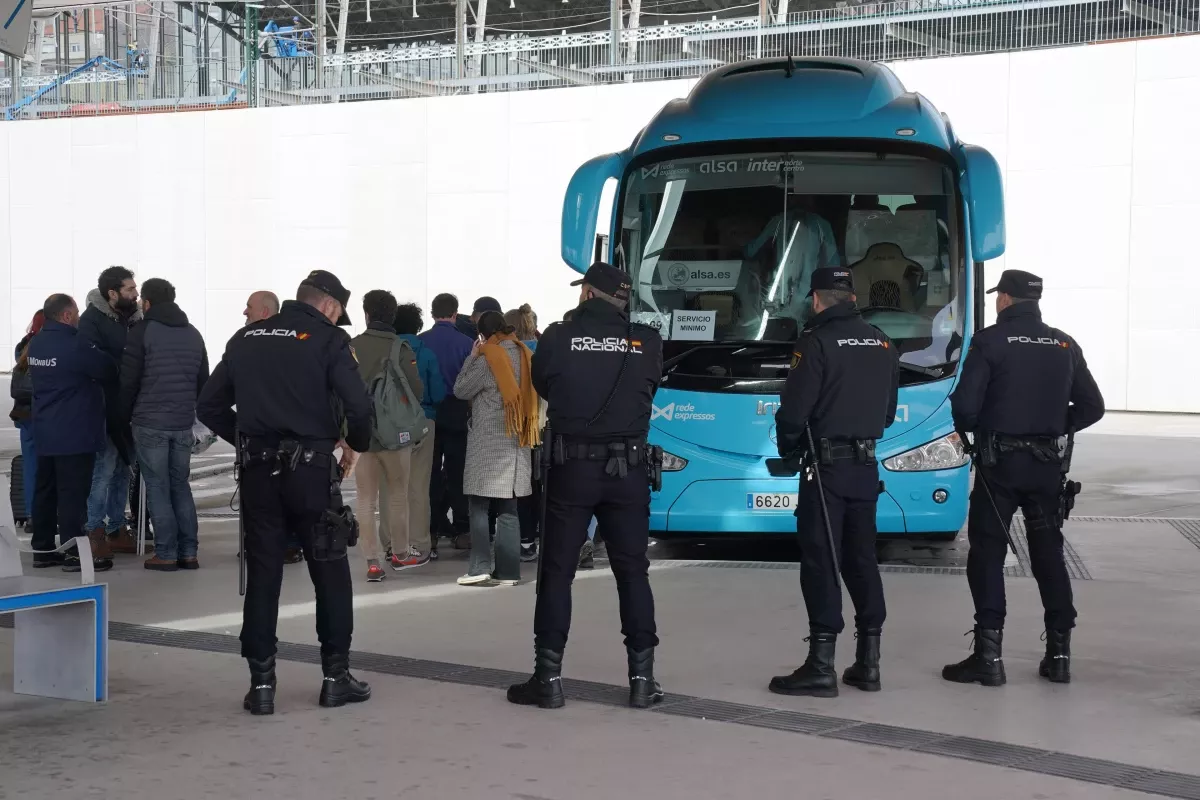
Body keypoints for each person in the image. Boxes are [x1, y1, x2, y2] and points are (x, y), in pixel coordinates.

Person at [198, 270, 374, 715]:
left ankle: (261, 685)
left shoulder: (246, 337)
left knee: (263, 576)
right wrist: (355, 442)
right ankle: (335, 678)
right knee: (329, 571)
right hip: (312, 474)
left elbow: (208, 404)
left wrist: (244, 438)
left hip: (259, 473)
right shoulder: (329, 340)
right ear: (331, 307)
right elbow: (359, 406)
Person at [508, 262, 664, 710]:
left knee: (557, 573)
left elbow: (544, 384)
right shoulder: (648, 340)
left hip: (572, 468)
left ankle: (548, 679)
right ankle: (641, 680)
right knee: (632, 573)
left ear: (588, 294)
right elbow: (648, 388)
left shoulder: (558, 337)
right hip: (629, 471)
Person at [944, 269, 1105, 687]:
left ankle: (989, 657)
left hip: (1000, 467)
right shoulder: (1063, 343)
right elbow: (1093, 406)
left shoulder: (991, 341)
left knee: (988, 554)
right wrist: (1054, 424)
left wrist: (989, 428)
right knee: (1049, 555)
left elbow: (963, 406)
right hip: (1047, 467)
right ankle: (1059, 655)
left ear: (1005, 299)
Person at [766, 267, 899, 698]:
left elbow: (793, 413)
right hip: (866, 467)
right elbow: (887, 413)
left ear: (818, 299)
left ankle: (821, 666)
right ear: (852, 297)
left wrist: (789, 448)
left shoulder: (817, 342)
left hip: (826, 470)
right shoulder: (881, 341)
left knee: (822, 560)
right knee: (861, 559)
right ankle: (868, 664)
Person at [119, 278, 210, 571]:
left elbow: (129, 381)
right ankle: (189, 552)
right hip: (183, 423)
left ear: (146, 303)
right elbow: (203, 382)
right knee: (180, 486)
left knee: (157, 487)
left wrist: (121, 417)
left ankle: (166, 552)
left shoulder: (142, 331)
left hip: (150, 422)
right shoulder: (193, 334)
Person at [27, 294, 117, 573]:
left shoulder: (37, 343)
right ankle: (73, 553)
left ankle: (42, 550)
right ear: (66, 316)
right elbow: (107, 369)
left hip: (45, 429)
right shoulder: (76, 344)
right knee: (73, 495)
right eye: (76, 313)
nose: (78, 317)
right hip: (74, 431)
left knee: (45, 491)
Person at [453, 310, 537, 587]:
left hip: (489, 443)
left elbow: (461, 389)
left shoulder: (489, 355)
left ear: (482, 334)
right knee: (509, 509)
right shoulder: (525, 353)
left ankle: (479, 568)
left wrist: (473, 356)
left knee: (478, 505)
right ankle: (509, 572)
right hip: (518, 441)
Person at [349, 290, 427, 582]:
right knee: (397, 495)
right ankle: (401, 553)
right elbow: (417, 391)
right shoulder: (401, 348)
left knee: (366, 499)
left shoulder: (351, 347)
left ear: (366, 313)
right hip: (396, 435)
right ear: (393, 316)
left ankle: (372, 561)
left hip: (362, 436)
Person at [79, 266, 141, 555]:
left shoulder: (136, 318)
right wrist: (124, 367)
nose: (135, 293)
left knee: (121, 470)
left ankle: (117, 527)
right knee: (102, 471)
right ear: (112, 293)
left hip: (128, 408)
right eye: (130, 289)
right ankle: (94, 529)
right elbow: (91, 359)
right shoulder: (91, 319)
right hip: (103, 409)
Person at [241, 290, 303, 565]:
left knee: (263, 500)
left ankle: (265, 545)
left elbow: (211, 401)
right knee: (291, 494)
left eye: (249, 307)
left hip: (259, 439)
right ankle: (290, 545)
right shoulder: (300, 342)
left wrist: (239, 430)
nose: (245, 313)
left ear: (265, 312)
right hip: (296, 438)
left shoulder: (244, 343)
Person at [388, 302, 445, 563]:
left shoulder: (385, 351)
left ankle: (391, 542)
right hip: (423, 422)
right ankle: (420, 544)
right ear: (418, 326)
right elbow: (438, 393)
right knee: (419, 487)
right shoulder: (427, 353)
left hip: (389, 425)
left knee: (390, 486)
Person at [419, 293, 474, 550]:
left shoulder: (420, 343)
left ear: (432, 313)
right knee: (457, 472)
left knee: (427, 474)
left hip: (427, 413)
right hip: (457, 411)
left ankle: (429, 529)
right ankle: (462, 529)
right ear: (455, 313)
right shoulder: (467, 343)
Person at [506, 305, 544, 563]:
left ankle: (526, 541)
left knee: (521, 489)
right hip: (545, 427)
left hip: (516, 430)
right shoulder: (546, 351)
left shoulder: (506, 353)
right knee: (544, 488)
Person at [9, 310, 45, 529]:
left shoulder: (23, 346)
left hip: (25, 416)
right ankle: (50, 513)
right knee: (54, 467)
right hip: (46, 416)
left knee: (31, 466)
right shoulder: (51, 346)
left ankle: (33, 515)